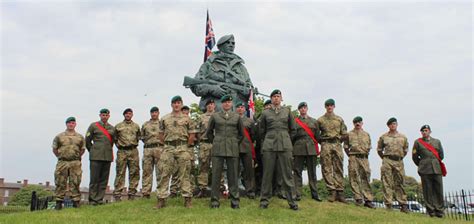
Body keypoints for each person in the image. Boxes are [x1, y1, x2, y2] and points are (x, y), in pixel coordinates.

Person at [191, 34, 254, 111]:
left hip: (238, 114)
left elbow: (250, 88)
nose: (231, 45)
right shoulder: (209, 64)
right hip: (216, 113)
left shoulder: (241, 67)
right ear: (220, 46)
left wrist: (249, 92)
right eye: (228, 43)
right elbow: (195, 85)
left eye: (233, 43)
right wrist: (212, 89)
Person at [259, 89, 298, 210]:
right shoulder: (265, 113)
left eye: (278, 96)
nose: (276, 98)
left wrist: (285, 139)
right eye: (274, 96)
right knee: (267, 174)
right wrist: (268, 140)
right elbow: (261, 131)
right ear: (271, 99)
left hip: (285, 145)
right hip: (269, 145)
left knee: (287, 174)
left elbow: (293, 130)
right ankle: (264, 201)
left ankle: (292, 201)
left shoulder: (287, 111)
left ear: (281, 99)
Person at [155, 96, 197, 208]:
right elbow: (160, 135)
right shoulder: (164, 118)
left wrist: (185, 145)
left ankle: (187, 199)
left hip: (183, 147)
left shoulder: (187, 119)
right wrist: (169, 144)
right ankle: (161, 199)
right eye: (174, 103)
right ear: (171, 105)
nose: (176, 105)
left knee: (185, 174)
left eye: (178, 103)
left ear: (182, 104)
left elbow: (192, 135)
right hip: (168, 148)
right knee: (164, 173)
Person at [206, 95, 243, 208]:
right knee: (216, 176)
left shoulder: (237, 117)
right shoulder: (215, 116)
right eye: (225, 102)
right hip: (218, 148)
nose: (227, 104)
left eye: (229, 102)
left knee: (233, 176)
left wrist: (235, 143)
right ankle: (214, 201)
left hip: (232, 149)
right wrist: (216, 142)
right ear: (221, 104)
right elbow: (209, 132)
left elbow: (241, 134)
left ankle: (235, 201)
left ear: (231, 104)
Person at [317, 99, 347, 203]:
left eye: (331, 105)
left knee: (338, 167)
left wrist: (338, 142)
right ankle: (332, 191)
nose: (329, 107)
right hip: (326, 144)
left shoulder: (339, 119)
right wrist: (324, 143)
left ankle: (340, 191)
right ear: (325, 107)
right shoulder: (320, 120)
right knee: (326, 167)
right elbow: (317, 135)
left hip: (337, 144)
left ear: (334, 106)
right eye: (327, 105)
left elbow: (344, 134)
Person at [412, 125, 446, 218]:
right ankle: (430, 211)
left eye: (426, 130)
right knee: (427, 191)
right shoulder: (418, 142)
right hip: (425, 169)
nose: (424, 132)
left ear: (430, 131)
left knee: (438, 190)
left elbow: (441, 155)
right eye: (422, 131)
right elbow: (414, 157)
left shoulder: (437, 142)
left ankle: (439, 211)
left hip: (436, 169)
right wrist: (422, 164)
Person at [52, 117, 85, 210]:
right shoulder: (59, 136)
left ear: (75, 124)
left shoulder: (80, 137)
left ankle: (76, 202)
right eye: (69, 123)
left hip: (75, 162)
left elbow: (82, 149)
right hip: (63, 162)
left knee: (75, 181)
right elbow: (54, 149)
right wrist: (60, 156)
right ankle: (58, 202)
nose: (71, 124)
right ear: (66, 124)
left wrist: (77, 157)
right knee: (60, 182)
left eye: (73, 123)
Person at [377, 117, 409, 213]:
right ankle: (388, 204)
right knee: (387, 182)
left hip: (399, 161)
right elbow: (379, 150)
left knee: (400, 182)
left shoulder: (403, 137)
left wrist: (400, 157)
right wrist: (384, 158)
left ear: (397, 125)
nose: (393, 125)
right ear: (388, 126)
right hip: (387, 160)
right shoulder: (383, 137)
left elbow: (405, 150)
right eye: (391, 124)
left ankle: (403, 204)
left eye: (394, 124)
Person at [343, 116, 375, 208]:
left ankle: (368, 200)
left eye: (359, 122)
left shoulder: (366, 134)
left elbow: (369, 147)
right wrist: (350, 155)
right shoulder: (349, 134)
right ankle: (358, 198)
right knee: (353, 177)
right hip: (353, 157)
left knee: (366, 177)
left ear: (362, 123)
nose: (357, 124)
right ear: (353, 123)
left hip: (364, 158)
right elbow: (345, 147)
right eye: (356, 122)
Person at [292, 102, 322, 202]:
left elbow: (317, 136)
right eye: (301, 108)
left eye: (304, 108)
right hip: (298, 147)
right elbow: (292, 135)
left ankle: (315, 194)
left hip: (311, 148)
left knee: (312, 172)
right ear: (299, 110)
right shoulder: (295, 121)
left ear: (307, 109)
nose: (303, 110)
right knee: (297, 171)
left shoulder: (314, 121)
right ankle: (297, 194)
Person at [86, 108, 115, 206]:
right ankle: (92, 200)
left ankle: (99, 199)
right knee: (94, 179)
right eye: (103, 115)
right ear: (100, 115)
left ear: (109, 116)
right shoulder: (93, 126)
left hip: (107, 157)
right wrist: (93, 150)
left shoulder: (112, 128)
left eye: (106, 115)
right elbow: (87, 140)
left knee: (103, 180)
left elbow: (113, 141)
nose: (105, 117)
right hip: (95, 156)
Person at [113, 108, 141, 201]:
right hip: (122, 151)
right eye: (126, 114)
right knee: (120, 172)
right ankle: (117, 195)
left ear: (132, 115)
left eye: (130, 113)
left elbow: (138, 137)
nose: (128, 115)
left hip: (133, 151)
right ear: (124, 115)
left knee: (134, 172)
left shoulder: (136, 126)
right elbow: (114, 138)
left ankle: (132, 194)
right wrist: (119, 146)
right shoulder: (118, 126)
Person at [141, 106, 163, 199]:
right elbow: (142, 137)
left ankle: (161, 192)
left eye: (155, 112)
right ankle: (146, 193)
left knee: (160, 171)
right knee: (147, 171)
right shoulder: (145, 124)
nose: (154, 114)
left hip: (159, 149)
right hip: (148, 150)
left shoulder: (162, 123)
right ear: (150, 113)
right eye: (152, 112)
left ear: (158, 113)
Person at [196, 99, 217, 197]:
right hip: (204, 144)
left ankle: (219, 188)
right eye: (208, 104)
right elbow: (196, 131)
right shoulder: (201, 117)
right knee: (203, 166)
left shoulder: (218, 116)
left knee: (218, 166)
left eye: (212, 104)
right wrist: (200, 140)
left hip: (216, 144)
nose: (210, 106)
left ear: (214, 106)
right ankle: (202, 189)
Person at [235, 101, 256, 199]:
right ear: (235, 109)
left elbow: (253, 135)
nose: (240, 109)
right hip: (235, 147)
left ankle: (250, 190)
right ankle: (235, 190)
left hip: (246, 148)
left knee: (249, 171)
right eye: (238, 107)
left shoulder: (250, 121)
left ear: (245, 109)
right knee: (235, 170)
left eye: (242, 107)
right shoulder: (232, 119)